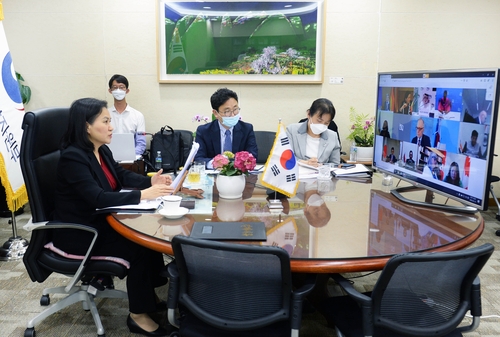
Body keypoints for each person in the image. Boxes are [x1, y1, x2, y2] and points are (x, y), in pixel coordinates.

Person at [53, 98, 174, 336]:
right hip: (80, 233)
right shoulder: (73, 157)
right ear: (86, 126)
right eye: (106, 121)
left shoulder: (102, 150)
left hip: (100, 221)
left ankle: (147, 298)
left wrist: (151, 181)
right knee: (139, 246)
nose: (112, 127)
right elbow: (97, 198)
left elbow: (121, 176)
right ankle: (138, 316)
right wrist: (143, 195)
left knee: (148, 236)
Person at [194, 88, 258, 168]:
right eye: (227, 111)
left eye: (235, 109)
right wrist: (215, 163)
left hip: (239, 176)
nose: (233, 115)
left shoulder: (247, 129)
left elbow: (252, 156)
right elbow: (199, 158)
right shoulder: (204, 131)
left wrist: (237, 164)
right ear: (216, 113)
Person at [286, 98, 341, 167]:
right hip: (298, 175)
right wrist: (304, 163)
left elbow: (335, 164)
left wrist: (321, 165)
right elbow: (285, 157)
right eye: (319, 121)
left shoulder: (333, 136)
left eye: (326, 123)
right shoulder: (291, 130)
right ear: (309, 114)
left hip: (321, 175)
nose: (322, 125)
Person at [107, 74, 146, 156]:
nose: (118, 90)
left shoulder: (138, 115)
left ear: (127, 91)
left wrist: (131, 156)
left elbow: (141, 143)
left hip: (132, 159)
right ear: (110, 91)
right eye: (115, 87)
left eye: (121, 87)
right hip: (108, 158)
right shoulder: (105, 115)